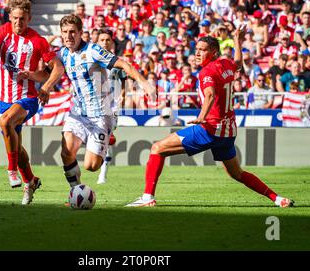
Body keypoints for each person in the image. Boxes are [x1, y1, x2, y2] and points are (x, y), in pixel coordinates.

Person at [126, 26, 294, 208]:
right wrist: (237, 40)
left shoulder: (207, 71)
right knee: (237, 173)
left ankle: (147, 197)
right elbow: (238, 63)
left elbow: (210, 95)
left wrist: (201, 116)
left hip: (210, 129)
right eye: (196, 49)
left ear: (213, 53)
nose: (197, 53)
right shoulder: (225, 65)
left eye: (202, 50)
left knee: (157, 148)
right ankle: (277, 199)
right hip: (228, 133)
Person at [22, 14, 155, 193]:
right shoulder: (62, 54)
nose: (68, 36)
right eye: (65, 32)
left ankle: (105, 139)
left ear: (80, 33)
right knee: (66, 150)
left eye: (72, 32)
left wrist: (144, 83)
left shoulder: (94, 51)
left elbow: (123, 65)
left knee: (91, 166)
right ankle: (76, 191)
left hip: (101, 113)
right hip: (77, 112)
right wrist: (30, 75)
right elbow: (46, 75)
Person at [0, 0, 65, 205]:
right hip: (4, 100)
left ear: (30, 18)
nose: (19, 23)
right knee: (16, 147)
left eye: (23, 19)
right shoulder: (2, 32)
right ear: (10, 17)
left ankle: (11, 171)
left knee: (5, 122)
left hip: (28, 97)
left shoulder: (38, 41)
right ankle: (30, 181)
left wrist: (43, 85)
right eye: (15, 18)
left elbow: (57, 68)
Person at [96, 29, 127, 184]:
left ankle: (103, 174)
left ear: (112, 43)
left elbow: (125, 81)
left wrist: (123, 94)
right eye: (102, 40)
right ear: (97, 42)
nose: (105, 42)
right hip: (94, 105)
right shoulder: (92, 61)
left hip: (112, 106)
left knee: (107, 137)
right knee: (97, 138)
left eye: (108, 40)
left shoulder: (117, 61)